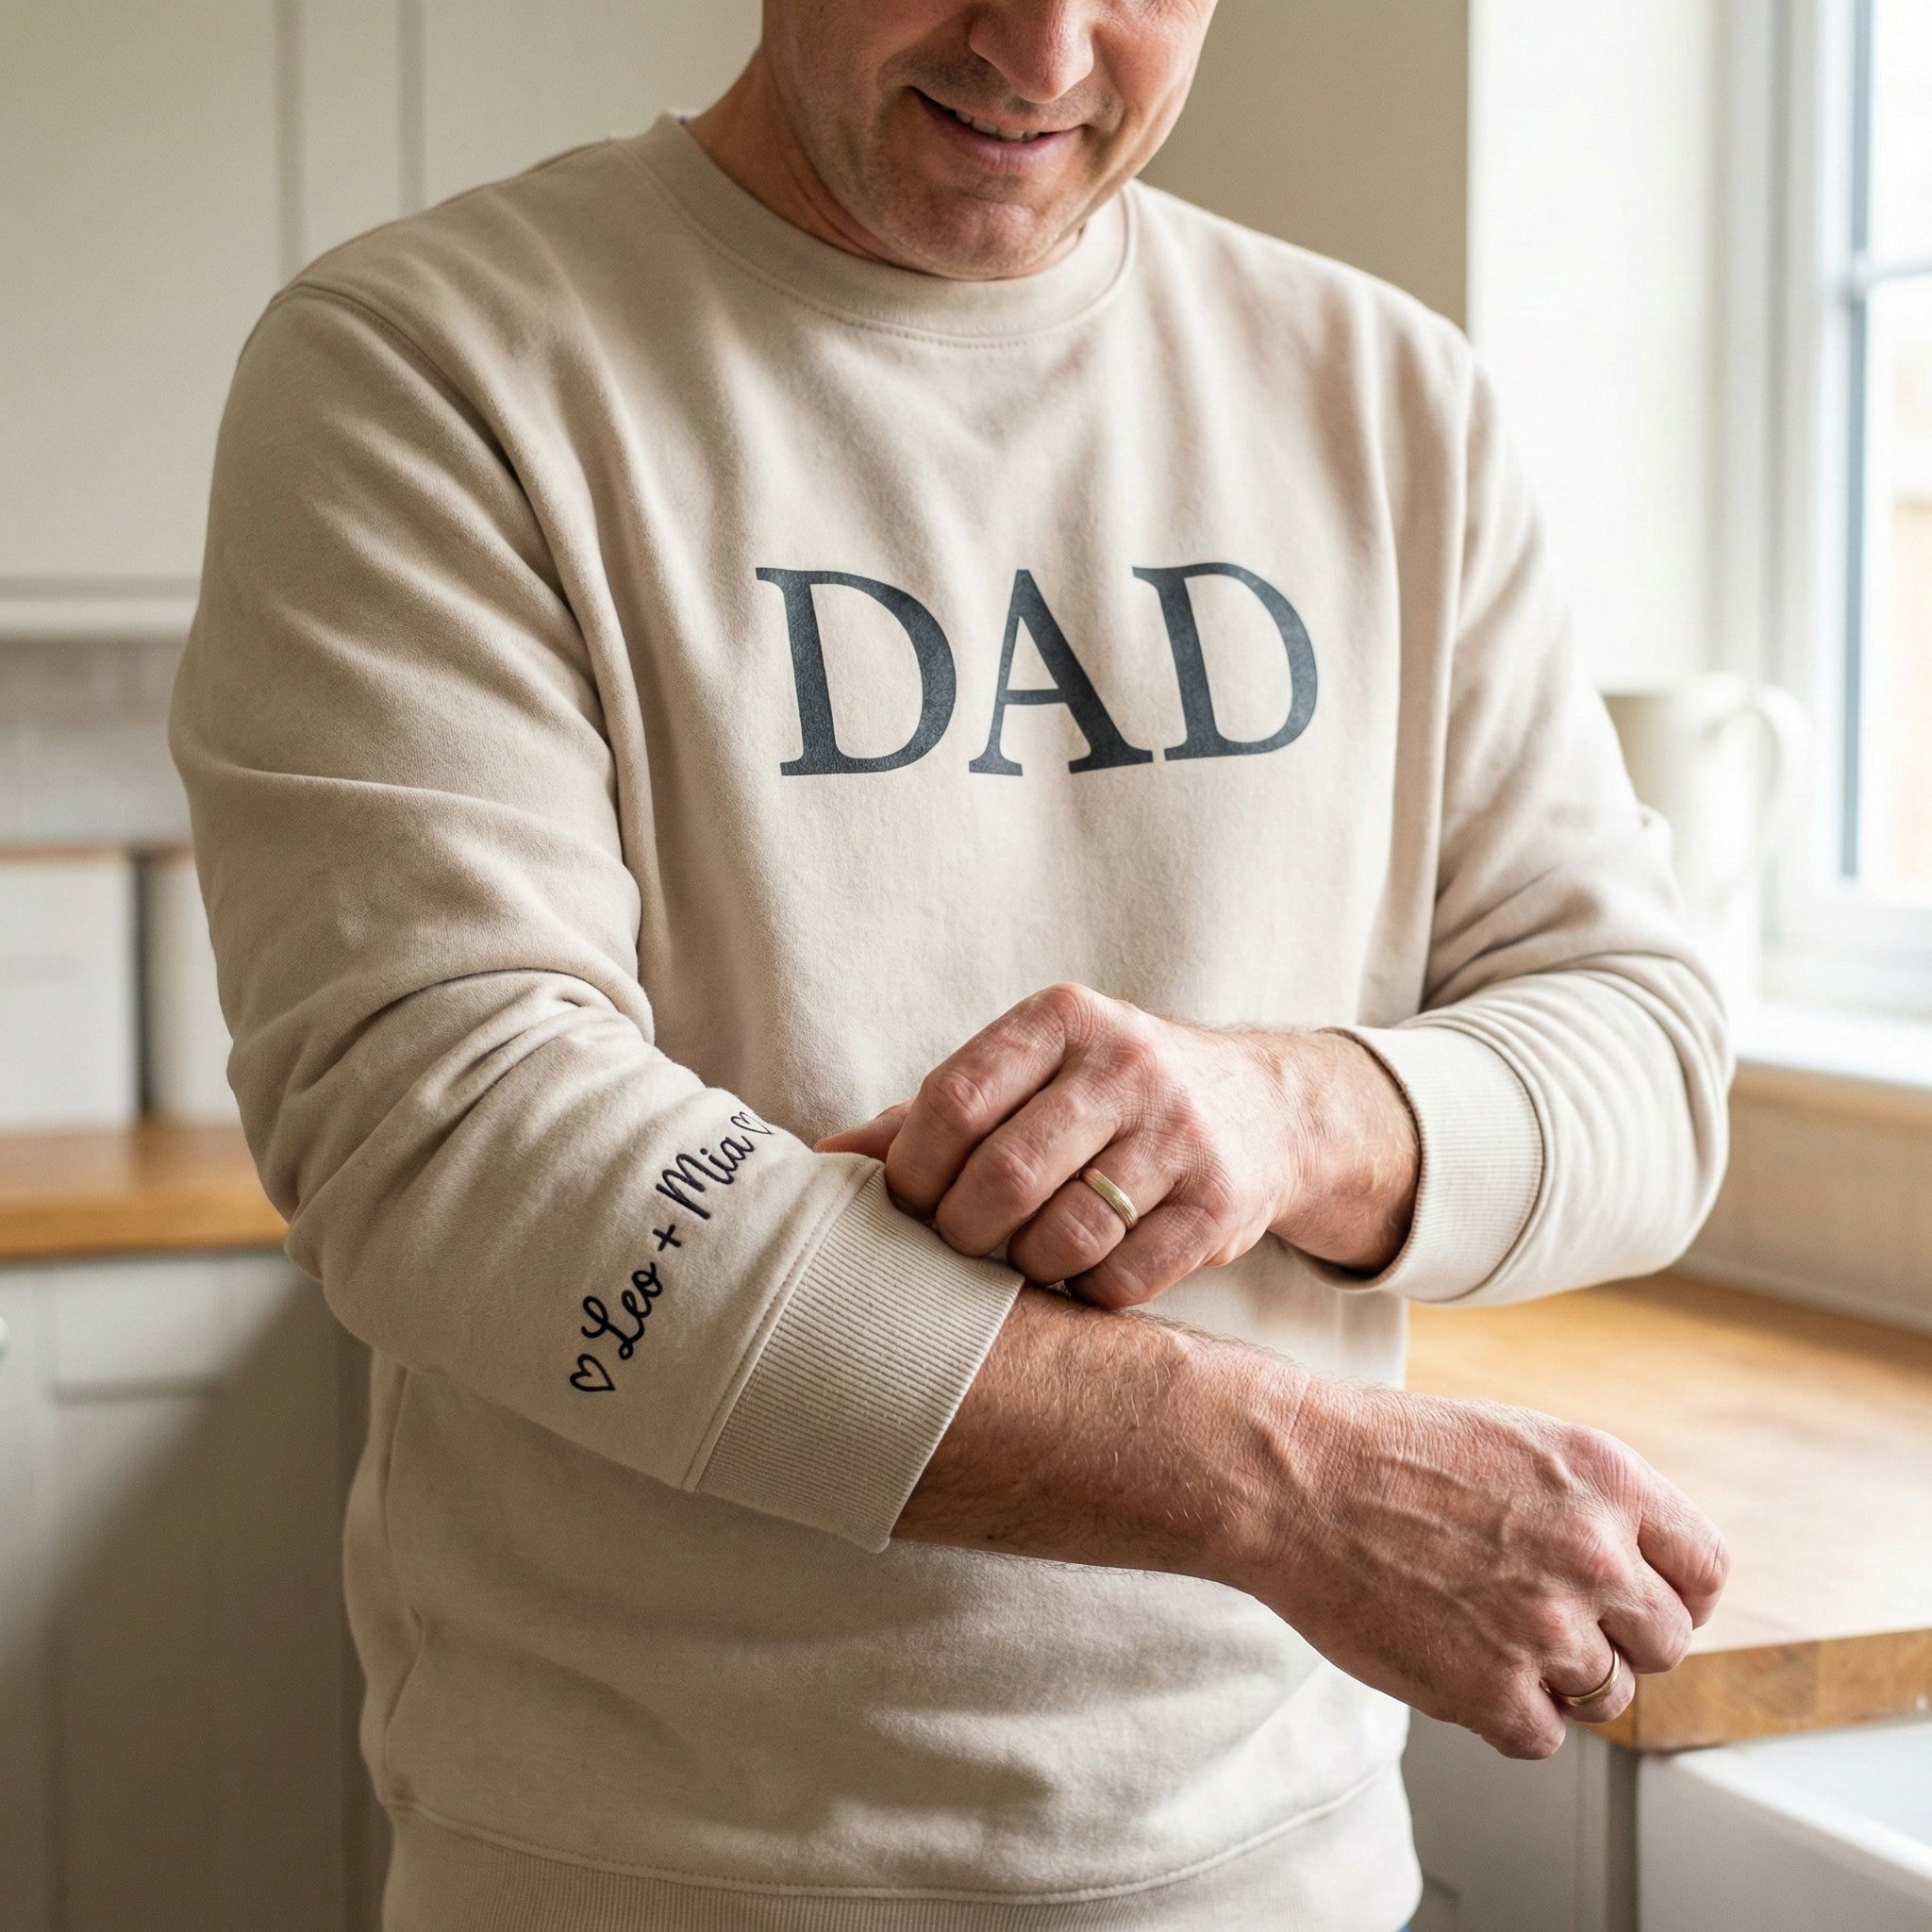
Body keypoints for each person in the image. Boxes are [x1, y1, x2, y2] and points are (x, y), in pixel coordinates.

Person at [172, 3, 1732, 1927]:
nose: (1042, 53)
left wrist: (1287, 1109)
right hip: (656, 1873)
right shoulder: (430, 364)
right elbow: (456, 1141)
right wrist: (1287, 1485)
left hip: (1285, 1869)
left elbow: (1649, 1059)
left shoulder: (1385, 394)